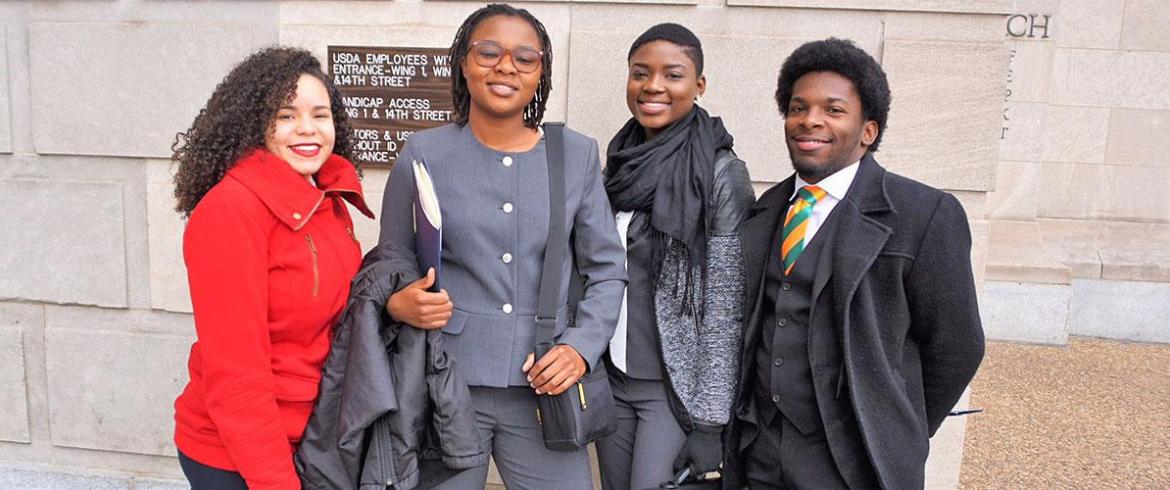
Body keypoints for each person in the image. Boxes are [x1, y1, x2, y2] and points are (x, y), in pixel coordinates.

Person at [377, 4, 627, 488]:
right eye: (488, 51)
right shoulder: (423, 153)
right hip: (446, 385)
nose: (505, 66)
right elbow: (393, 258)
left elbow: (608, 269)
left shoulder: (574, 155)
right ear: (463, 63)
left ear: (541, 73)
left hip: (543, 388)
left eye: (525, 58)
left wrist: (580, 347)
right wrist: (399, 301)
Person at [723, 38, 985, 489]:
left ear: (868, 130)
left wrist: (893, 428)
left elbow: (957, 347)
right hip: (760, 452)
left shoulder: (922, 214)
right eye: (798, 107)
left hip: (852, 463)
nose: (811, 120)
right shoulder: (766, 210)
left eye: (834, 110)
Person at [170, 47, 374, 490]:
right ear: (254, 125)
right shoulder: (230, 213)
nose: (307, 129)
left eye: (320, 115)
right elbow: (236, 376)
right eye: (286, 115)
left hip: (313, 436)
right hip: (242, 455)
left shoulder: (326, 199)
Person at [595, 23, 754, 490]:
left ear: (699, 85)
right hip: (612, 380)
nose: (654, 87)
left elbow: (727, 308)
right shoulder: (620, 161)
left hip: (673, 391)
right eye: (640, 73)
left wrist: (710, 422)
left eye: (673, 75)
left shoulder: (721, 173)